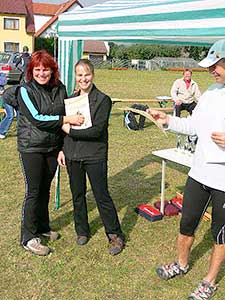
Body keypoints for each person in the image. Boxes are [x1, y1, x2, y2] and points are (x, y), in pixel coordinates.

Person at [148, 39, 225, 300]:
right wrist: (168, 120)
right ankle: (181, 265)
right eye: (211, 66)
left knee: (220, 233)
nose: (211, 70)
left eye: (216, 65)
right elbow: (193, 126)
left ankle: (209, 281)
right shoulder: (212, 93)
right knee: (187, 223)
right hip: (199, 173)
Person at [3, 50, 84, 256]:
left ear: (52, 70)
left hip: (52, 147)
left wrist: (62, 147)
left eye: (45, 69)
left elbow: (66, 111)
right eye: (37, 69)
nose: (41, 73)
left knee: (45, 190)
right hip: (31, 147)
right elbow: (38, 118)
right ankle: (28, 237)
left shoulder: (59, 88)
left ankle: (42, 227)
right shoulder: (25, 90)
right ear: (31, 71)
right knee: (34, 191)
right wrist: (67, 120)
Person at [57, 59, 125, 256]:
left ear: (93, 75)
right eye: (79, 75)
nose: (83, 78)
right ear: (75, 77)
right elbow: (62, 130)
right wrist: (62, 149)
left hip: (94, 154)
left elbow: (97, 130)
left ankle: (115, 234)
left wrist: (70, 131)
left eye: (86, 74)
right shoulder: (70, 100)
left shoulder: (103, 100)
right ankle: (82, 230)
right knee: (77, 194)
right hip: (72, 154)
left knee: (101, 195)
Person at [0, 72, 15, 139]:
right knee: (10, 115)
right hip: (5, 97)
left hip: (6, 96)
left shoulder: (2, 74)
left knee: (12, 115)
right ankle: (1, 131)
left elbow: (4, 82)